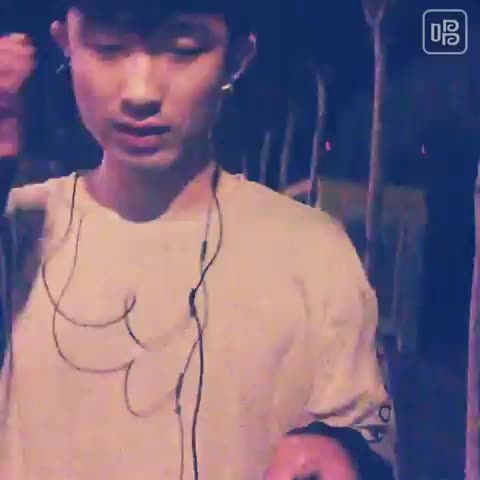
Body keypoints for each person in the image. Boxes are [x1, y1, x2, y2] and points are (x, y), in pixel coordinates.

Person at [0, 1, 396, 479]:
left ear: (237, 58)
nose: (141, 91)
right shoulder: (20, 227)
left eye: (184, 50)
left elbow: (371, 434)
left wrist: (341, 450)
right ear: (65, 44)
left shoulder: (312, 252)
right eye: (108, 49)